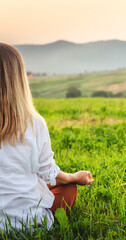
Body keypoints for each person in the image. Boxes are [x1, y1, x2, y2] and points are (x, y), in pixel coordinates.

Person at [0, 42, 94, 231]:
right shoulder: (34, 123)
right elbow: (49, 173)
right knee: (68, 189)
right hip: (29, 222)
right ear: (19, 79)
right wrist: (73, 177)